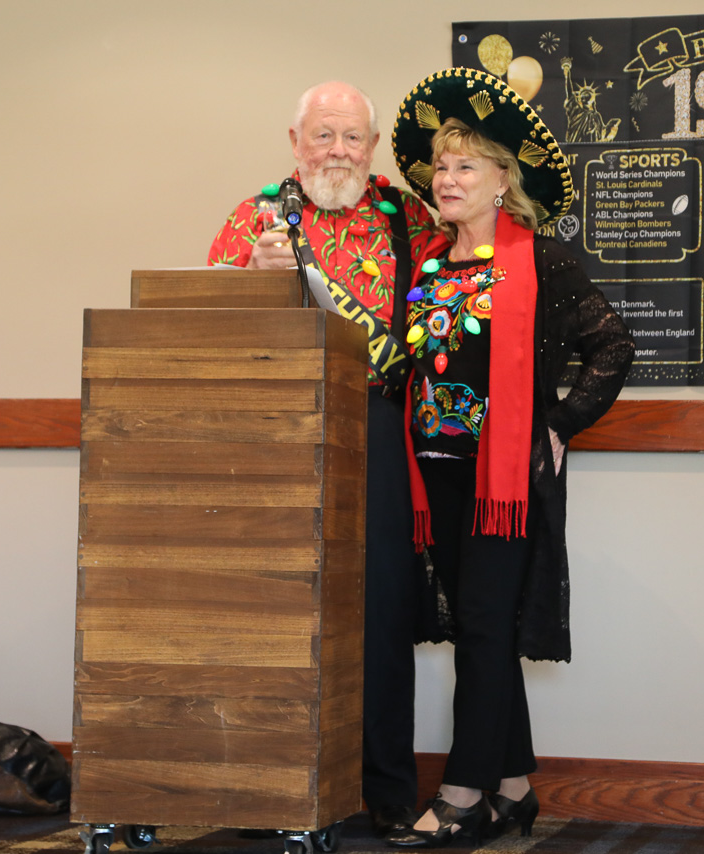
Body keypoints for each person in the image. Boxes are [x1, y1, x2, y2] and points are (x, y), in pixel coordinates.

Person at [383, 68, 635, 848]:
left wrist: (560, 423)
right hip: (433, 474)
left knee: (486, 630)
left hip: (503, 481)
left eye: (466, 165)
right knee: (478, 628)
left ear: (502, 180)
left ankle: (463, 795)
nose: (447, 178)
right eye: (441, 165)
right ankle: (517, 791)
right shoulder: (425, 261)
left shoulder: (541, 262)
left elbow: (612, 346)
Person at [208, 81, 437, 838]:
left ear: (372, 147)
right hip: (275, 431)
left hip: (377, 424)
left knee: (382, 606)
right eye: (323, 135)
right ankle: (269, 790)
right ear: (295, 141)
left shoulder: (407, 216)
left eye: (352, 137)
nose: (337, 151)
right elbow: (208, 327)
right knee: (272, 608)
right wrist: (255, 283)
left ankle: (388, 790)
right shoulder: (254, 218)